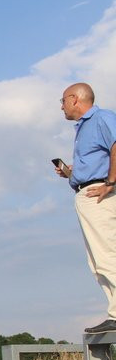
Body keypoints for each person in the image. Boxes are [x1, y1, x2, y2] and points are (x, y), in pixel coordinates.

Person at [58, 83, 116, 333]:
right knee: (97, 261)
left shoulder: (102, 118)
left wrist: (111, 182)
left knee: (107, 254)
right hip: (86, 192)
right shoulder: (83, 128)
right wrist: (70, 173)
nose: (61, 106)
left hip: (99, 193)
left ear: (74, 99)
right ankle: (114, 313)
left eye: (62, 101)